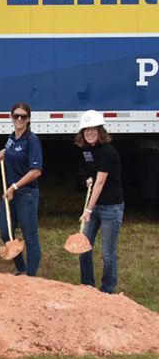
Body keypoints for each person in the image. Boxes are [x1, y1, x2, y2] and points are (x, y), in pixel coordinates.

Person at [76, 110, 124, 294]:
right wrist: (87, 177)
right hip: (95, 205)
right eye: (86, 130)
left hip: (110, 207)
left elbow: (101, 182)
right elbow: (91, 173)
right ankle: (87, 287)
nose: (89, 133)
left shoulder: (107, 151)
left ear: (100, 131)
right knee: (84, 248)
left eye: (93, 129)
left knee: (107, 254)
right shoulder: (87, 150)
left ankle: (107, 291)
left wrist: (88, 210)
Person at [0, 101, 43, 276]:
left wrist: (15, 186)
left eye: (23, 116)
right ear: (11, 117)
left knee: (30, 236)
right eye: (16, 116)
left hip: (26, 194)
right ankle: (21, 267)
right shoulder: (11, 137)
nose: (19, 119)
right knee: (5, 231)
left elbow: (36, 171)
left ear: (28, 119)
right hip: (10, 193)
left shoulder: (33, 140)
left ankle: (30, 276)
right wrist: (3, 152)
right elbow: (10, 149)